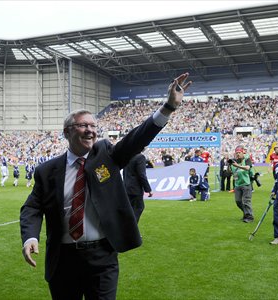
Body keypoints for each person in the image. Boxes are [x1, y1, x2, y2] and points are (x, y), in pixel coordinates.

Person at [20, 73, 191, 300]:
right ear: (67, 132)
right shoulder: (47, 170)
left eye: (93, 125)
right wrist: (30, 237)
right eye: (83, 125)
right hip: (62, 259)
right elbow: (32, 207)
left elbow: (136, 139)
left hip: (102, 256)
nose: (90, 130)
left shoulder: (107, 156)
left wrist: (168, 107)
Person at [123, 152, 153, 223]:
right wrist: (148, 190)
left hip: (126, 187)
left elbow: (124, 172)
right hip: (135, 189)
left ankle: (126, 231)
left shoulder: (127, 156)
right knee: (138, 208)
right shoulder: (140, 157)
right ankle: (132, 232)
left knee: (130, 211)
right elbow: (142, 175)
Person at [230, 146, 254, 223]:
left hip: (246, 183)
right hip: (237, 184)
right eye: (236, 153)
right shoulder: (234, 161)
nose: (238, 154)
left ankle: (249, 217)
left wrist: (238, 166)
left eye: (239, 153)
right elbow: (231, 172)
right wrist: (229, 165)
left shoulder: (247, 159)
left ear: (242, 152)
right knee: (238, 201)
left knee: (246, 201)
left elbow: (247, 168)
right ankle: (246, 213)